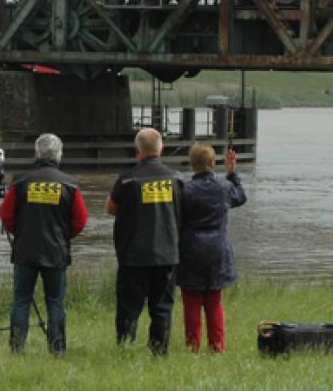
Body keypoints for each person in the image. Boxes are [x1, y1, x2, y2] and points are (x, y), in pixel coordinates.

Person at [0, 133, 88, 355]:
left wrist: (20, 232)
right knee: (55, 302)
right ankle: (57, 349)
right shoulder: (69, 184)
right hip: (56, 251)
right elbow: (80, 220)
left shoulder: (20, 181)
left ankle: (17, 348)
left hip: (25, 250)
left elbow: (6, 215)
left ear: (35, 154)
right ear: (61, 155)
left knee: (21, 300)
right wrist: (64, 236)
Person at [106, 127, 182, 355]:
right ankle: (159, 350)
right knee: (162, 307)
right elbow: (182, 210)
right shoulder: (176, 179)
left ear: (136, 151)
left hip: (133, 255)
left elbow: (111, 208)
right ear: (162, 149)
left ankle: (125, 346)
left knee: (129, 306)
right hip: (166, 253)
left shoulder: (127, 180)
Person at [176, 144, 247, 353]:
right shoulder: (224, 188)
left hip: (191, 249)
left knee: (191, 302)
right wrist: (232, 173)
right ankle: (217, 347)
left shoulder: (184, 189)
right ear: (213, 163)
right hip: (217, 249)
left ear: (192, 164)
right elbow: (240, 197)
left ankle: (192, 347)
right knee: (214, 303)